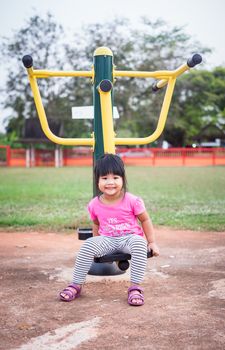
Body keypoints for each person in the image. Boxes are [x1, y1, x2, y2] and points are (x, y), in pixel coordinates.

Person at [59, 153, 159, 306]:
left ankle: (135, 288)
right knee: (87, 245)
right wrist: (95, 243)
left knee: (139, 243)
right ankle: (76, 285)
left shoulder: (132, 200)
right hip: (107, 240)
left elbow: (145, 219)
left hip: (129, 238)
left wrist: (151, 242)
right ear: (97, 181)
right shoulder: (94, 204)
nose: (110, 182)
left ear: (123, 179)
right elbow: (96, 224)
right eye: (104, 178)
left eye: (115, 178)